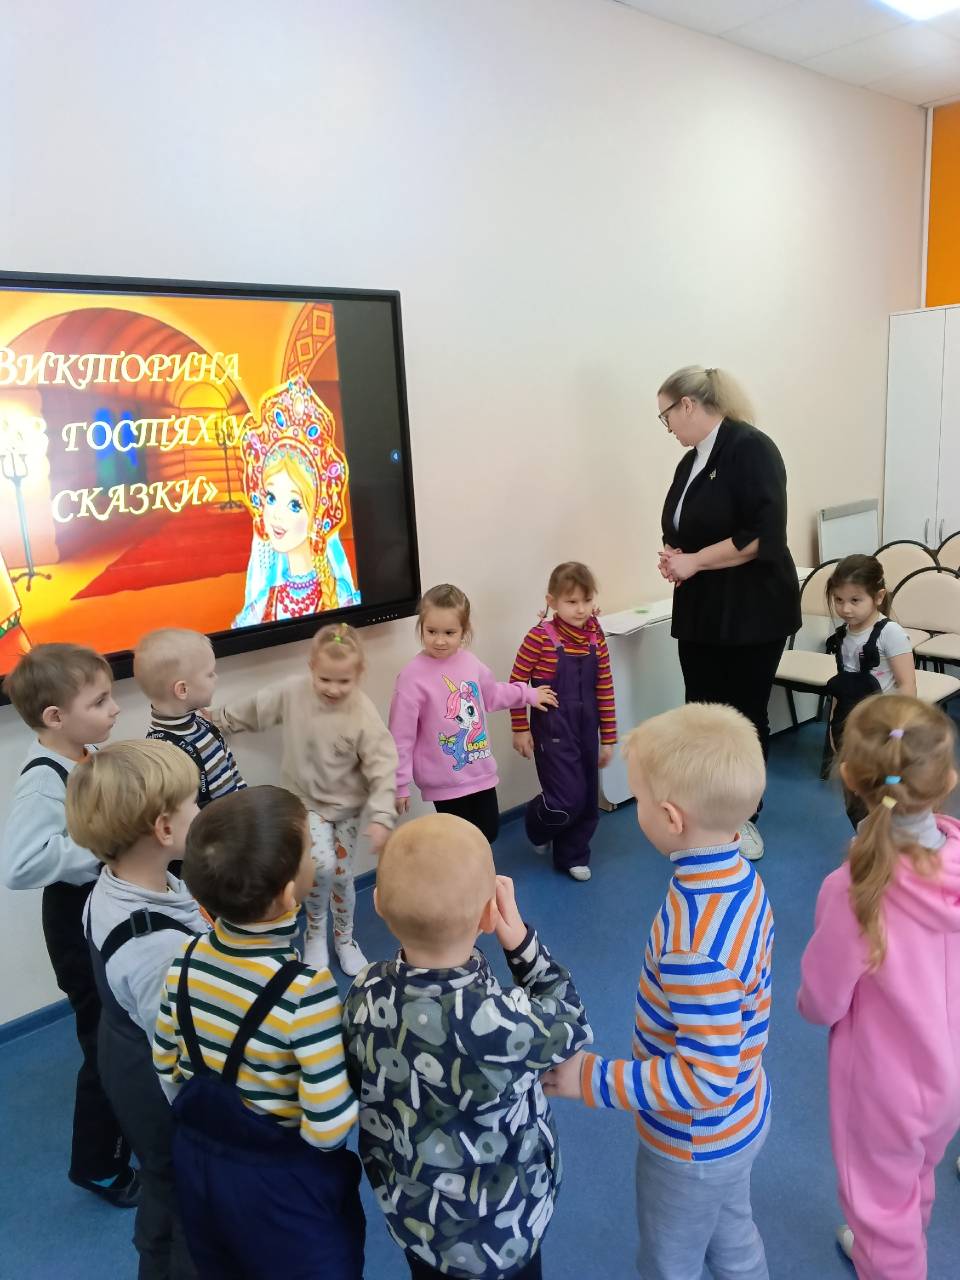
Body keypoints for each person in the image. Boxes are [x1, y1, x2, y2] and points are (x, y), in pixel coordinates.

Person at [544, 703, 773, 1280]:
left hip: (693, 1144)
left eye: (640, 799)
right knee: (733, 1234)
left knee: (670, 1261)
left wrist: (592, 1078)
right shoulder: (740, 876)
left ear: (671, 818)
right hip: (742, 1114)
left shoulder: (694, 948)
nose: (637, 808)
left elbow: (705, 1079)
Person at [342, 813, 593, 1280]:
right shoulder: (505, 1022)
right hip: (506, 1235)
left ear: (377, 904)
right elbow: (572, 1019)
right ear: (488, 915)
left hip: (419, 1227)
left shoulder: (364, 991)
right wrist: (520, 945)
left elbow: (359, 1078)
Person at [152, 785, 365, 1280]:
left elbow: (166, 1066)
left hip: (199, 1168)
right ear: (291, 895)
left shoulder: (184, 959)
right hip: (280, 1186)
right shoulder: (305, 991)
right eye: (310, 849)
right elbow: (328, 1129)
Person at [798, 694, 960, 1280]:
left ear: (849, 777)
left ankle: (889, 1255)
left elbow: (821, 1004)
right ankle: (899, 1240)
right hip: (949, 1076)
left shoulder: (852, 889)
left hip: (885, 1090)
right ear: (948, 781)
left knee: (879, 1206)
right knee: (918, 1172)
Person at [0, 643, 139, 1209]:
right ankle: (97, 1165)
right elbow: (20, 865)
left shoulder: (87, 755)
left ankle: (133, 1124)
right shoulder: (43, 779)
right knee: (105, 1042)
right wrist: (100, 846)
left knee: (126, 1027)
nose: (115, 708)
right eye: (100, 701)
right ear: (55, 716)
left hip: (103, 913)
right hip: (75, 926)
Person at [70, 740, 207, 1280]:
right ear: (164, 829)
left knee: (161, 1181)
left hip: (121, 1049)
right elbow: (179, 1053)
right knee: (187, 1193)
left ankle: (155, 1252)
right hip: (157, 1083)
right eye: (192, 802)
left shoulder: (114, 887)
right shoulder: (156, 947)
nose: (200, 809)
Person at [656, 365, 801, 861]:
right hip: (701, 608)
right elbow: (687, 526)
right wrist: (676, 556)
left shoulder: (751, 448)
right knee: (701, 713)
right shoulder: (691, 461)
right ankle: (707, 810)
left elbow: (763, 535)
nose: (667, 427)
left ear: (688, 405)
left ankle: (743, 816)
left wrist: (695, 560)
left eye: (666, 416)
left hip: (751, 610)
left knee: (741, 718)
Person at [210, 622, 397, 976]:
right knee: (320, 867)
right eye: (325, 679)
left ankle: (344, 939)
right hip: (305, 802)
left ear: (359, 675)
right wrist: (219, 719)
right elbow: (257, 708)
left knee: (342, 877)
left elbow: (383, 764)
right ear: (311, 668)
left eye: (344, 681)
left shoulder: (362, 712)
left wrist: (382, 815)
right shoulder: (293, 692)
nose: (333, 689)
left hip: (346, 809)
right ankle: (314, 932)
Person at [389, 584, 557, 843]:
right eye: (431, 631)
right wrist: (400, 783)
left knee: (489, 833)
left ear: (464, 631)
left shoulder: (470, 663)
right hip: (444, 782)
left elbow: (493, 694)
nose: (439, 640)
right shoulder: (412, 677)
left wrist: (528, 694)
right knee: (460, 843)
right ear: (421, 627)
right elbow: (401, 736)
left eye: (449, 632)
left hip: (480, 772)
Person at [509, 561, 617, 881]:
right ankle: (538, 823)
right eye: (571, 601)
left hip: (587, 728)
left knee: (586, 798)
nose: (581, 609)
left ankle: (573, 854)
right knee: (565, 798)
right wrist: (520, 728)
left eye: (587, 600)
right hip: (553, 730)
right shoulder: (539, 638)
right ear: (552, 601)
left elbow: (605, 686)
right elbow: (516, 685)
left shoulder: (596, 636)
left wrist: (608, 737)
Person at [232, 375, 360, 627]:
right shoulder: (262, 605)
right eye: (270, 497)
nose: (276, 514)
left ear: (318, 514)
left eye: (294, 504)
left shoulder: (342, 598)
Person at [822, 554, 916, 828]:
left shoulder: (890, 633)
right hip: (850, 727)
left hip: (883, 729)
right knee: (855, 794)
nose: (845, 609)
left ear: (878, 597)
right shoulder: (843, 635)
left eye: (855, 600)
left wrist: (898, 732)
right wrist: (833, 728)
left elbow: (907, 685)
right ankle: (866, 838)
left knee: (885, 795)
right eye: (838, 600)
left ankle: (886, 841)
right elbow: (843, 687)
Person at [133, 628, 246, 808]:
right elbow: (180, 816)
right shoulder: (164, 754)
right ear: (183, 689)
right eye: (209, 674)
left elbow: (233, 771)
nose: (216, 678)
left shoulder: (203, 725)